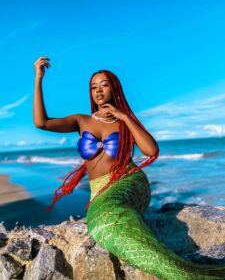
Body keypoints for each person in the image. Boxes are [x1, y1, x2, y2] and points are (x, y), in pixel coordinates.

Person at [33, 56, 225, 279]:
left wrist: (124, 116)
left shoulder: (124, 121)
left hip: (128, 181)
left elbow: (150, 150)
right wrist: (39, 78)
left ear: (115, 89)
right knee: (102, 222)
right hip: (100, 189)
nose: (98, 90)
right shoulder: (81, 120)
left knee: (110, 217)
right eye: (93, 86)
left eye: (104, 85)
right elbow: (42, 122)